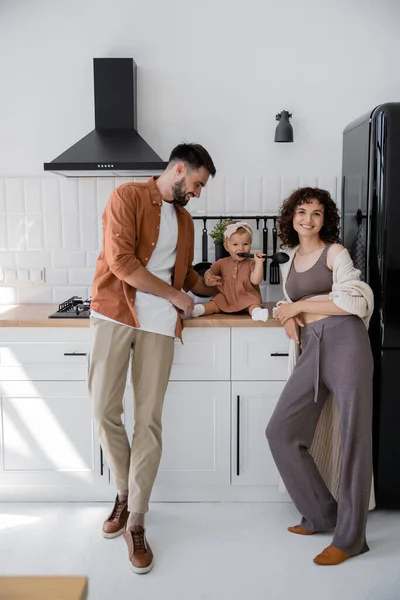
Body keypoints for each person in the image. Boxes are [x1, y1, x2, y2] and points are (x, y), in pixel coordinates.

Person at [88, 143, 216, 574]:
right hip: (115, 313)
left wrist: (207, 281)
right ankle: (125, 493)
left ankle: (136, 519)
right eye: (196, 183)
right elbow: (122, 263)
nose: (197, 193)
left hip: (161, 325)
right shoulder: (127, 197)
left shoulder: (185, 220)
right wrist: (176, 294)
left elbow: (180, 274)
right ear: (179, 169)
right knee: (103, 408)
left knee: (148, 420)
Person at [265, 187, 374, 566]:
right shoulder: (291, 258)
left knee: (353, 440)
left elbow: (352, 299)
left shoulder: (335, 253)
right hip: (312, 346)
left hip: (346, 343)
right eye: (301, 211)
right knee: (280, 432)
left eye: (316, 213)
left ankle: (350, 539)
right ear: (290, 217)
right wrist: (290, 312)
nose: (308, 219)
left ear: (325, 219)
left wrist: (298, 305)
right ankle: (320, 514)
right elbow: (291, 299)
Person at [191, 221, 269, 321]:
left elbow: (255, 280)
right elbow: (209, 272)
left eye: (245, 244)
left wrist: (259, 263)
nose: (241, 248)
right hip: (226, 298)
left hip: (246, 296)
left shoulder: (251, 263)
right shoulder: (221, 263)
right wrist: (208, 278)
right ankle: (199, 309)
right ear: (227, 246)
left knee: (253, 304)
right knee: (214, 304)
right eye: (235, 244)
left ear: (250, 245)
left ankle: (257, 313)